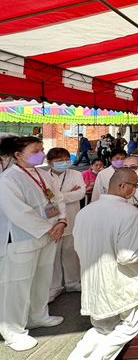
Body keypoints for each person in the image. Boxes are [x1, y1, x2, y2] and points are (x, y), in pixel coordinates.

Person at [69, 168, 138, 360]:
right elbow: (127, 256)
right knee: (129, 327)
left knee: (100, 329)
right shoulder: (130, 214)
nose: (136, 190)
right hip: (124, 284)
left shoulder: (85, 212)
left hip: (93, 281)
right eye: (135, 186)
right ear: (123, 186)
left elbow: (78, 246)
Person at [0, 137, 67, 352]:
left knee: (42, 277)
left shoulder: (42, 173)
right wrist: (49, 227)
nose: (41, 153)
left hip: (48, 235)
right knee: (17, 286)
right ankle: (12, 331)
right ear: (19, 155)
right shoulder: (8, 179)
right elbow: (19, 212)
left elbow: (57, 200)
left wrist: (62, 221)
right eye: (36, 150)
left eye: (41, 149)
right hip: (22, 238)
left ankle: (38, 315)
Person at [46, 148, 86, 302]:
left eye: (66, 159)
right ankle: (54, 286)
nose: (64, 163)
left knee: (71, 251)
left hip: (72, 217)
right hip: (52, 220)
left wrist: (57, 196)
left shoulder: (76, 174)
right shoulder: (43, 176)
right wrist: (68, 194)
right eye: (59, 160)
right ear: (49, 162)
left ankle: (72, 282)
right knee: (53, 254)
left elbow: (81, 193)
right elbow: (44, 197)